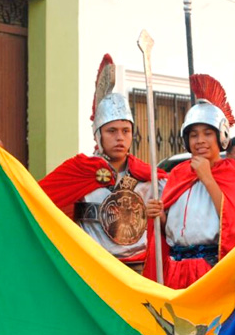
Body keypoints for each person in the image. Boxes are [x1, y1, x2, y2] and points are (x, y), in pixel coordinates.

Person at [39, 55, 166, 273]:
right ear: (98, 135)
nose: (120, 138)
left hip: (139, 269)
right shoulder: (80, 171)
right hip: (95, 270)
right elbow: (34, 200)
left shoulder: (149, 176)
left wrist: (159, 214)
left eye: (125, 131)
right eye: (111, 131)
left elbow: (172, 230)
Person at [143, 74, 235, 289]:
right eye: (193, 135)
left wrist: (207, 178)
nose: (200, 140)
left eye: (207, 133)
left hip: (211, 269)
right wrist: (159, 215)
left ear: (220, 136)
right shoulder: (179, 173)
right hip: (175, 270)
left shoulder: (234, 172)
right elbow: (172, 229)